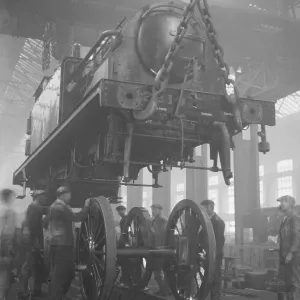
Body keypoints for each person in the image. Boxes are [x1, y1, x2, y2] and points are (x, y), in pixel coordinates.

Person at [47, 186, 90, 300]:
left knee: (68, 273)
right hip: (62, 245)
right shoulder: (58, 207)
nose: (70, 197)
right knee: (60, 274)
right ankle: (55, 297)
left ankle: (58, 295)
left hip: (62, 244)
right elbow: (77, 217)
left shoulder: (60, 207)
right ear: (63, 195)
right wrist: (86, 206)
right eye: (69, 194)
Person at [18, 190, 48, 299]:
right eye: (43, 196)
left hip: (32, 242)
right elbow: (32, 227)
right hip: (32, 243)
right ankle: (22, 291)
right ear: (38, 196)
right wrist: (36, 244)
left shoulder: (34, 207)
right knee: (28, 266)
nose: (45, 198)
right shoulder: (35, 208)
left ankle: (33, 290)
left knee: (35, 267)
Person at [201, 199, 225, 300]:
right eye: (203, 207)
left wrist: (214, 255)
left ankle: (216, 297)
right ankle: (210, 295)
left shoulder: (218, 222)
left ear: (212, 207)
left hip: (215, 254)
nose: (205, 209)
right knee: (208, 275)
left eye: (207, 207)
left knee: (215, 276)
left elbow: (219, 241)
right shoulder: (206, 221)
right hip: (207, 253)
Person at [277, 195, 300, 300]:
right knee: (288, 283)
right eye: (280, 202)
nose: (281, 204)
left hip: (294, 257)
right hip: (285, 257)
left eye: (284, 202)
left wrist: (291, 252)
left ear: (290, 204)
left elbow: (297, 237)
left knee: (295, 283)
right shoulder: (285, 220)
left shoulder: (295, 218)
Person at [0, 189, 17, 300]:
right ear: (9, 197)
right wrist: (8, 251)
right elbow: (8, 232)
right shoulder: (9, 211)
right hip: (3, 246)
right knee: (4, 274)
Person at [150, 204, 170, 296]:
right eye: (152, 209)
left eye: (154, 209)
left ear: (160, 210)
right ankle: (163, 289)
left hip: (161, 249)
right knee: (158, 271)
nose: (152, 211)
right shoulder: (155, 220)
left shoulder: (163, 221)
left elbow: (161, 235)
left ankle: (165, 290)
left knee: (161, 271)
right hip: (157, 249)